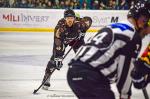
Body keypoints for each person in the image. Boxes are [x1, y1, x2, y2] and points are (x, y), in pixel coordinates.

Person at [67, 0, 150, 99]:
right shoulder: (133, 36)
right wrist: (125, 95)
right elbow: (125, 75)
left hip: (73, 72)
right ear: (142, 20)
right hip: (91, 75)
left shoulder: (112, 26)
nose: (148, 33)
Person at [42, 8, 92, 90]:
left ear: (74, 18)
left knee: (84, 57)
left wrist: (83, 32)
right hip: (63, 41)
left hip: (76, 40)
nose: (70, 20)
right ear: (64, 18)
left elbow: (89, 20)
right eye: (68, 18)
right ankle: (46, 77)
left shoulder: (79, 23)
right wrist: (58, 57)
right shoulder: (60, 29)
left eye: (72, 18)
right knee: (54, 60)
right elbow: (57, 43)